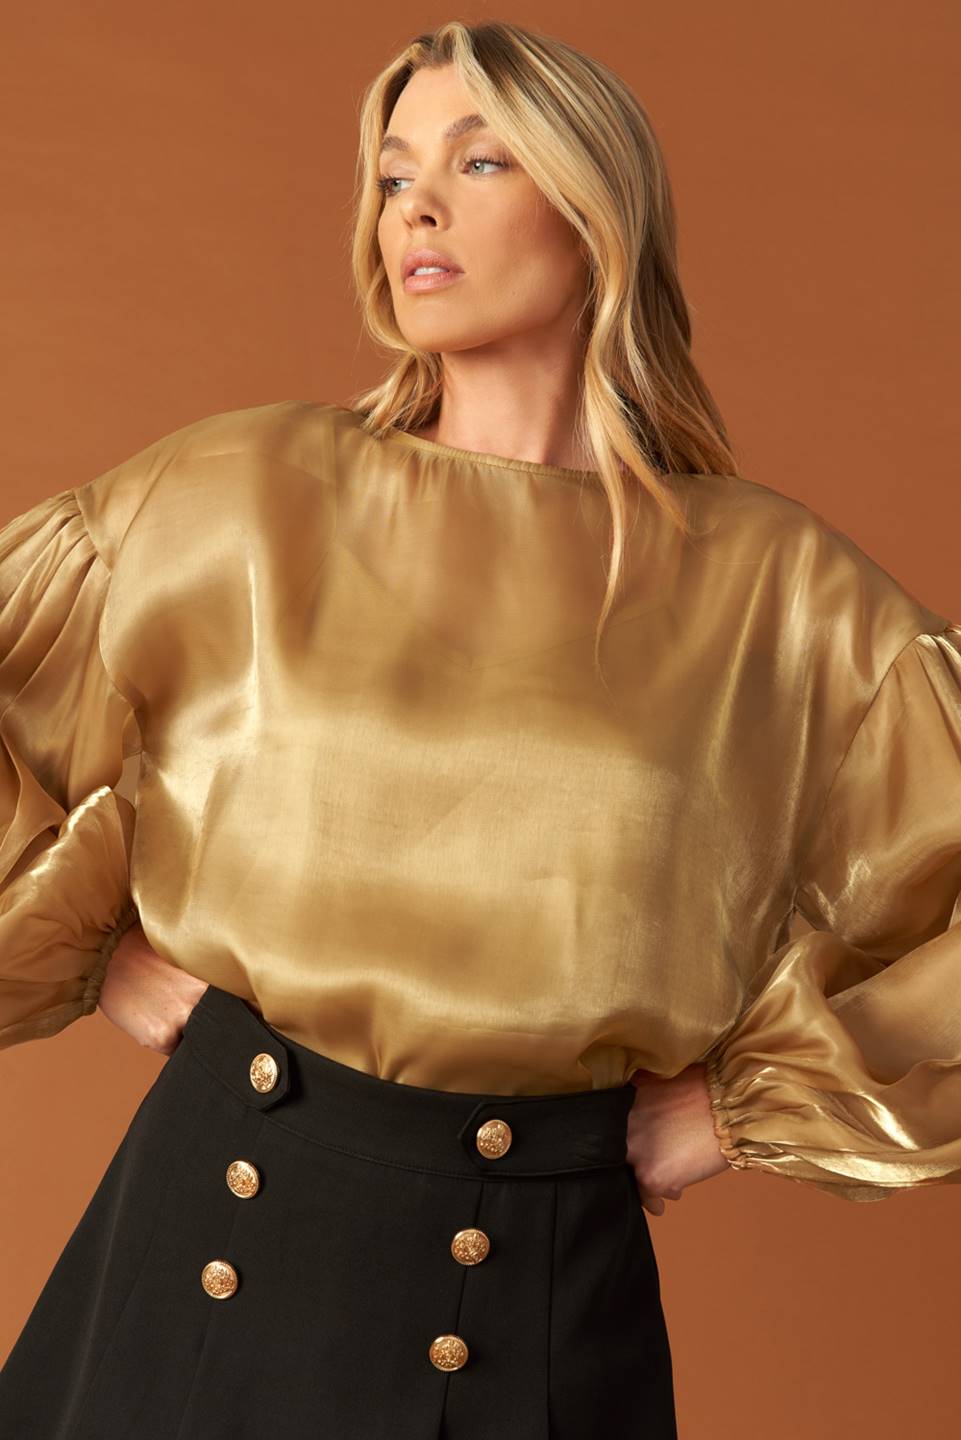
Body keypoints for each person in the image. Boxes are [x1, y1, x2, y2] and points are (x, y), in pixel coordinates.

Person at [1, 18, 959, 1439]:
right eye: (393, 176)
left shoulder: (778, 593)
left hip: (532, 1304)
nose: (417, 209)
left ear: (596, 207)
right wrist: (101, 957)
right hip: (204, 1249)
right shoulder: (247, 497)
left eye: (478, 160)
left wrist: (726, 1114)